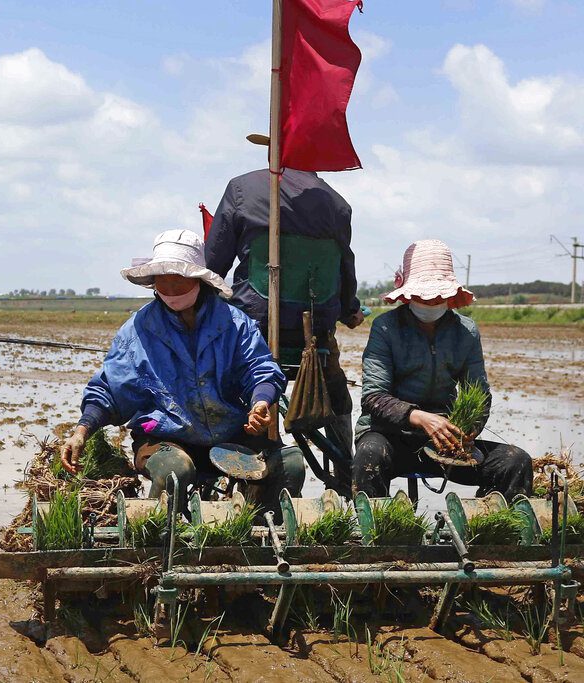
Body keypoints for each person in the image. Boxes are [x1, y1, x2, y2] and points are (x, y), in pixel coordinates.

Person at [60, 229, 305, 516]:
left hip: (230, 433)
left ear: (197, 280)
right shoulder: (138, 331)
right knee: (176, 470)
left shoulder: (235, 324)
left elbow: (260, 369)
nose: (171, 291)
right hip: (166, 438)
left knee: (290, 464)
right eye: (163, 283)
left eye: (178, 281)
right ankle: (157, 537)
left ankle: (260, 529)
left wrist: (260, 402)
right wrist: (81, 431)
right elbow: (110, 390)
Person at [204, 134, 363, 459]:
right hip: (314, 339)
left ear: (274, 152)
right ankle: (346, 465)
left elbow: (212, 266)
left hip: (253, 335)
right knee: (337, 389)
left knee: (210, 369)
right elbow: (345, 270)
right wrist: (350, 310)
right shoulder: (338, 205)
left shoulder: (241, 189)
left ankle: (221, 445)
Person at [353, 239, 533, 500]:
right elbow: (373, 397)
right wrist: (422, 418)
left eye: (438, 295)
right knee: (369, 457)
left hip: (446, 440)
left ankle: (490, 531)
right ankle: (374, 536)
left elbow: (479, 393)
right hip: (391, 437)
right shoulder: (385, 328)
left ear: (449, 295)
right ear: (407, 293)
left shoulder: (466, 331)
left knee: (515, 461)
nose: (430, 301)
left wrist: (471, 428)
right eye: (423, 295)